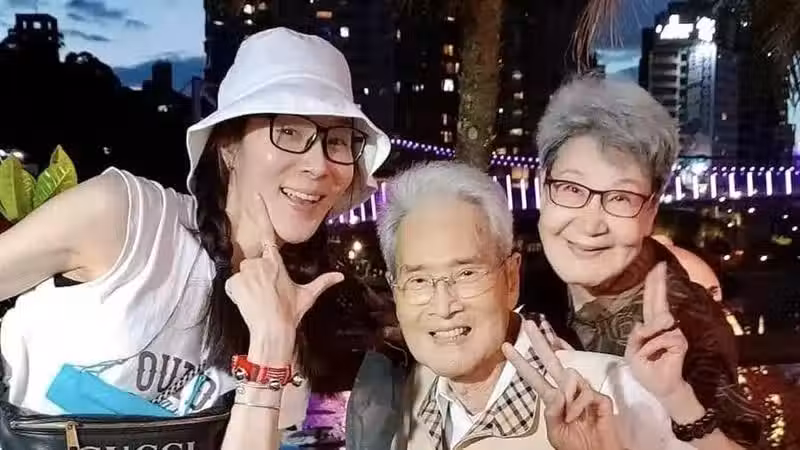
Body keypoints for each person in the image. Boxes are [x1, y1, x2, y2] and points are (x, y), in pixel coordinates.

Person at [0, 28, 389, 449]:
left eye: (337, 140)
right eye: (290, 131)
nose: (319, 165)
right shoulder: (127, 219)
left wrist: (272, 342)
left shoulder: (299, 303)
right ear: (228, 147)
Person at [346, 162, 689, 450]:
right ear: (395, 291)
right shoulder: (412, 400)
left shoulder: (613, 393)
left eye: (466, 273)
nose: (444, 305)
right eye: (419, 280)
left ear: (511, 278)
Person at [534, 74, 764, 447]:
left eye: (621, 198)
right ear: (543, 187)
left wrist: (677, 399)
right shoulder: (522, 285)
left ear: (651, 211)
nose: (590, 225)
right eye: (572, 189)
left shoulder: (684, 324)